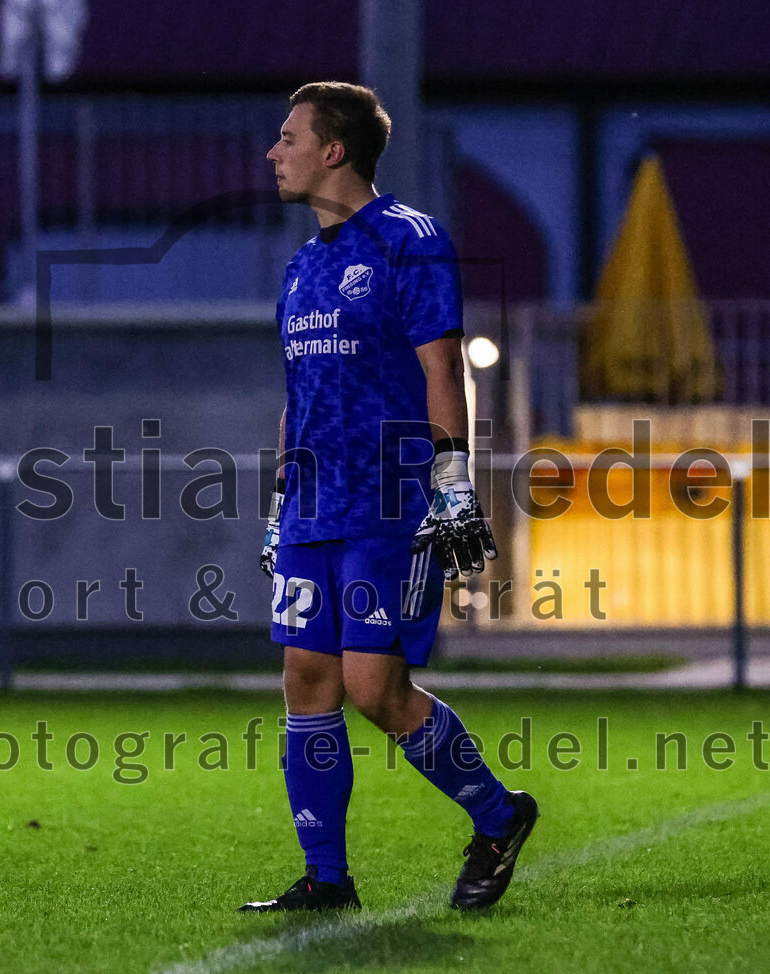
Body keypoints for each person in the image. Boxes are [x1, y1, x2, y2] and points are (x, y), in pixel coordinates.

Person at [238, 82, 537, 914]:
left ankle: (500, 815)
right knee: (306, 678)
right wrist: (277, 501)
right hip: (313, 505)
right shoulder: (302, 267)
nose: (275, 151)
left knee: (375, 690)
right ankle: (327, 881)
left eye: (289, 136)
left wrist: (450, 480)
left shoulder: (409, 239)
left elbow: (442, 367)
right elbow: (301, 393)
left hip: (390, 503)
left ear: (333, 150)